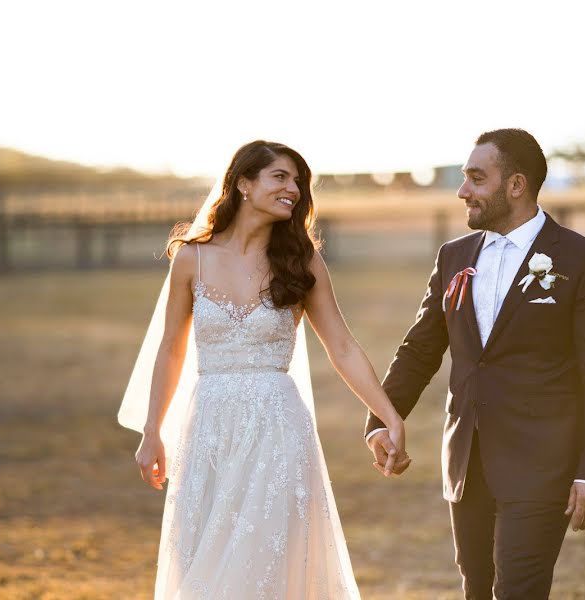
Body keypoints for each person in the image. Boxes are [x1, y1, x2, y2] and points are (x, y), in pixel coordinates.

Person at [119, 140, 406, 598]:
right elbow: (170, 351)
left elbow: (343, 347)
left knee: (266, 564)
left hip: (277, 429)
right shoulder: (192, 258)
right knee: (203, 563)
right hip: (209, 429)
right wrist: (152, 431)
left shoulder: (301, 261)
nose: (293, 188)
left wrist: (389, 416)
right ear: (243, 184)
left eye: (298, 181)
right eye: (280, 177)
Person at [365, 128, 585, 599]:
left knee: (518, 591)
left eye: (475, 178)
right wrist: (382, 419)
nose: (463, 191)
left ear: (516, 185)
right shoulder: (454, 257)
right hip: (467, 460)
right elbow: (421, 348)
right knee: (476, 588)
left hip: (542, 462)